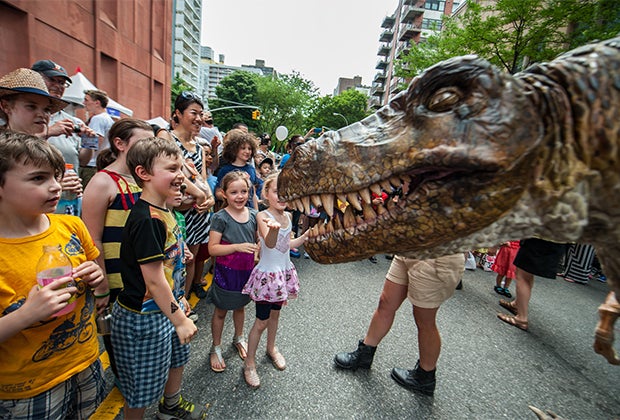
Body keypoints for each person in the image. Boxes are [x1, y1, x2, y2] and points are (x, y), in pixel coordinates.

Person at [0, 131, 106, 418]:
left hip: (84, 360)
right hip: (28, 388)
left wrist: (94, 276)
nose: (55, 186)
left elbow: (93, 270)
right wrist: (26, 314)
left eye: (56, 177)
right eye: (39, 178)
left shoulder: (71, 226)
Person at [110, 137, 206, 419]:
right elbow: (153, 281)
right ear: (144, 173)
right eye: (172, 169)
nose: (180, 176)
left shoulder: (165, 210)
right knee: (140, 388)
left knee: (178, 358)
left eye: (180, 169)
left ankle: (170, 407)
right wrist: (180, 319)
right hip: (144, 317)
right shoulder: (147, 220)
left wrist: (179, 255)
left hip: (167, 306)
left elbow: (164, 258)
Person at [334, 253, 465, 396]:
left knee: (424, 320)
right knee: (386, 302)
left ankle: (425, 377)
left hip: (436, 257)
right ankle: (364, 355)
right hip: (407, 249)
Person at [81, 118, 154, 377]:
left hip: (144, 277)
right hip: (116, 281)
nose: (150, 147)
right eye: (144, 142)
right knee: (121, 347)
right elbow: (92, 239)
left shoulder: (143, 177)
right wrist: (101, 286)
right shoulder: (103, 182)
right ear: (120, 144)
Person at [241, 173, 309, 388]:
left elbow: (286, 245)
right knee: (261, 321)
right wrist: (272, 229)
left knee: (275, 316)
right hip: (267, 278)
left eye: (285, 192)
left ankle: (271, 348)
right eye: (277, 192)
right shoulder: (263, 216)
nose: (281, 196)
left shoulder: (288, 216)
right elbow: (270, 244)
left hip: (282, 276)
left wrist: (305, 236)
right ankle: (249, 363)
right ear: (266, 194)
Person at [0, 67, 86, 215]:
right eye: (31, 107)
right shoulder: (3, 149)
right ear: (6, 106)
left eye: (46, 109)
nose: (42, 114)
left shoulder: (43, 147)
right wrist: (54, 185)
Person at [158, 92, 215, 302]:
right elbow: (176, 172)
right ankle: (170, 307)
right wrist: (199, 193)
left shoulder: (199, 147)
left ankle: (184, 302)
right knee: (173, 260)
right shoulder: (166, 137)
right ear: (178, 114)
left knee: (191, 260)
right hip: (175, 212)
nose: (199, 118)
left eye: (201, 114)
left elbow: (202, 178)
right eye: (194, 113)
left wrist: (209, 198)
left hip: (197, 214)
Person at [207, 171, 259, 373]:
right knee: (221, 311)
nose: (240, 196)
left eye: (244, 191)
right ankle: (216, 347)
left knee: (240, 307)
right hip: (226, 274)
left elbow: (258, 240)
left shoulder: (254, 215)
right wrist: (237, 247)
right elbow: (213, 249)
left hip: (246, 273)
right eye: (234, 192)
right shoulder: (220, 218)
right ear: (224, 194)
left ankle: (239, 337)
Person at [497, 238, 566, 331]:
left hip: (541, 239)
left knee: (523, 275)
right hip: (557, 240)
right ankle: (517, 304)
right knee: (527, 272)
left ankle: (521, 318)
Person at [215, 129, 260, 210]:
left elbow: (252, 193)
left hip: (249, 210)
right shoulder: (225, 170)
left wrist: (256, 212)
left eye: (249, 149)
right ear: (234, 150)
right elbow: (218, 192)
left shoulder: (251, 169)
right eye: (243, 148)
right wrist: (231, 197)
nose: (247, 151)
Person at [81, 89, 114, 186]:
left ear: (97, 103)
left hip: (91, 165)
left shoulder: (97, 119)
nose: (83, 103)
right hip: (101, 164)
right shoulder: (108, 119)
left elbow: (95, 143)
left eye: (86, 100)